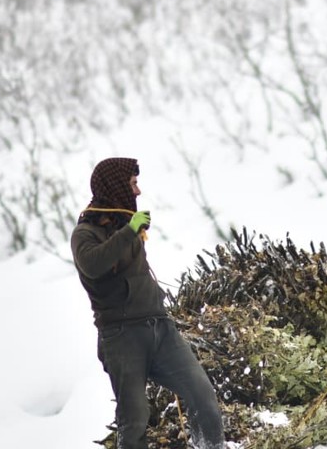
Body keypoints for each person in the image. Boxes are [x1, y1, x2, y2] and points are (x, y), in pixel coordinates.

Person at [70, 157, 225, 449]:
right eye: (132, 184)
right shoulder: (84, 234)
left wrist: (129, 231)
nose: (138, 191)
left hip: (160, 327)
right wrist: (128, 231)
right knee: (134, 417)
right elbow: (93, 264)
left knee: (201, 393)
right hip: (121, 337)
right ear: (115, 186)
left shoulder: (126, 229)